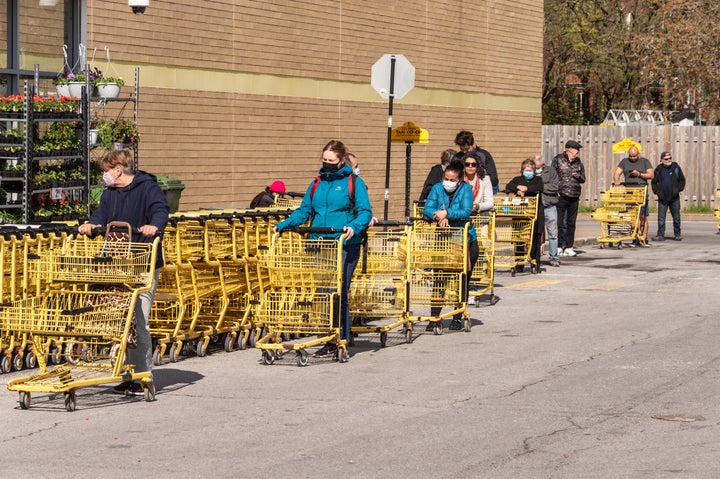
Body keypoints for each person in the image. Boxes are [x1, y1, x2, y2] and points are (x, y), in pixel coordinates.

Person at [78, 149, 169, 394]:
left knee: (138, 319)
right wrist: (91, 224)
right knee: (120, 321)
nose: (104, 176)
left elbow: (161, 210)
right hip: (116, 263)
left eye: (106, 171)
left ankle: (142, 375)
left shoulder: (148, 188)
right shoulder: (110, 194)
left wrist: (154, 226)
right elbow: (101, 216)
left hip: (142, 263)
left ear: (118, 170)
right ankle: (127, 373)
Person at [274, 140, 372, 357]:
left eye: (331, 161)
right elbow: (304, 211)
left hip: (344, 245)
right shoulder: (316, 183)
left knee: (338, 292)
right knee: (324, 294)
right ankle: (334, 336)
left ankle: (339, 339)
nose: (327, 164)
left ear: (341, 160)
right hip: (319, 245)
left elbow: (365, 212)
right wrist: (282, 225)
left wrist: (354, 227)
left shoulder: (353, 182)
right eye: (324, 160)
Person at [422, 159, 480, 331]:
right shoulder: (437, 188)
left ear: (460, 179)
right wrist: (437, 215)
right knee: (440, 278)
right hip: (442, 238)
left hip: (463, 239)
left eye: (452, 180)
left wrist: (447, 213)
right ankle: (434, 317)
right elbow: (427, 207)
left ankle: (457, 316)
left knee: (460, 279)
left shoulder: (466, 190)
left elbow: (465, 210)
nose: (448, 182)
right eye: (446, 178)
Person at [504, 159, 544, 272]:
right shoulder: (518, 179)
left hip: (535, 214)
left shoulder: (538, 180)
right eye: (526, 170)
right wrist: (518, 187)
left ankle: (535, 263)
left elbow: (540, 188)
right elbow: (509, 186)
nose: (528, 172)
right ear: (522, 170)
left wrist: (527, 189)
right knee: (519, 239)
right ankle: (519, 264)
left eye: (530, 170)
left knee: (535, 239)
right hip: (521, 214)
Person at [612, 145, 654, 246]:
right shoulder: (624, 162)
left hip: (641, 192)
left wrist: (639, 174)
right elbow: (617, 173)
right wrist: (617, 181)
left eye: (634, 156)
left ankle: (643, 237)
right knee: (632, 217)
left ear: (638, 154)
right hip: (629, 193)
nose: (632, 158)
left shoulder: (645, 161)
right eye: (631, 156)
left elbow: (651, 175)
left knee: (642, 217)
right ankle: (634, 237)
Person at [551, 140, 586, 257]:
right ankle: (559, 246)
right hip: (561, 195)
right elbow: (553, 176)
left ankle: (569, 246)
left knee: (571, 223)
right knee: (560, 222)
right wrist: (556, 191)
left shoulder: (578, 162)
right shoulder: (558, 159)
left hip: (574, 195)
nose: (578, 152)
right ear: (569, 149)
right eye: (576, 149)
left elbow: (583, 179)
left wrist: (578, 176)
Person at [651, 151, 686, 241]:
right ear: (661, 160)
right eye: (666, 159)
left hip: (674, 198)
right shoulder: (658, 169)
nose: (669, 160)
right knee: (661, 219)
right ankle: (660, 235)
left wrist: (678, 190)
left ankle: (677, 234)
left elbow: (682, 180)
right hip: (663, 199)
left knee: (677, 218)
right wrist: (658, 192)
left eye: (670, 158)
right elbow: (654, 183)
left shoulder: (676, 167)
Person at [533, 154, 560, 267]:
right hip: (535, 207)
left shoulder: (551, 171)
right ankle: (535, 257)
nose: (534, 161)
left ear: (542, 162)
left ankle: (554, 257)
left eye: (537, 160)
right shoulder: (530, 172)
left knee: (553, 234)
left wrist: (540, 186)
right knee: (535, 233)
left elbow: (555, 186)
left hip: (549, 206)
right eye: (534, 159)